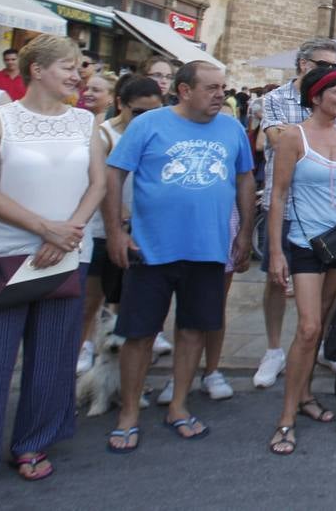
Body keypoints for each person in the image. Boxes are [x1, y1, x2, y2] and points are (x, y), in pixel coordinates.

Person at [103, 61, 255, 452]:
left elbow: (245, 178)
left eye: (223, 87)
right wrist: (116, 231)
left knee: (192, 331)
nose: (220, 94)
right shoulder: (148, 124)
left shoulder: (232, 128)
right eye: (211, 88)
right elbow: (114, 174)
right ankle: (129, 414)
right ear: (184, 90)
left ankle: (178, 405)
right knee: (139, 334)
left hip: (208, 248)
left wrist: (244, 233)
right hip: (152, 249)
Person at [0, 35, 104, 481]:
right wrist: (46, 229)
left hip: (67, 252)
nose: (77, 74)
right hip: (8, 252)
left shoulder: (84, 122)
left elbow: (97, 184)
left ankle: (33, 443)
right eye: (67, 66)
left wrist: (66, 233)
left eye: (79, 67)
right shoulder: (1, 119)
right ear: (36, 70)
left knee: (54, 355)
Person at [265, 66, 336, 456]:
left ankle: (307, 395)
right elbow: (277, 195)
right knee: (308, 327)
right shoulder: (293, 137)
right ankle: (286, 416)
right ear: (316, 97)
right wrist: (276, 251)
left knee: (322, 325)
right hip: (305, 243)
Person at [255, 39, 336, 389]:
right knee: (275, 279)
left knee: (330, 285)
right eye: (324, 66)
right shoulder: (276, 99)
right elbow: (276, 140)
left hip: (326, 211)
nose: (332, 74)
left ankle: (320, 344)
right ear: (302, 64)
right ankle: (273, 348)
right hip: (284, 207)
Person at [79, 75, 164, 375]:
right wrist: (121, 214)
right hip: (102, 231)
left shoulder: (157, 133)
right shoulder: (103, 136)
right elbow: (98, 183)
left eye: (153, 112)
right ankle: (82, 354)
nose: (145, 118)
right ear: (121, 105)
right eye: (138, 112)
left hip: (140, 232)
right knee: (91, 302)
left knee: (125, 305)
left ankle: (118, 370)